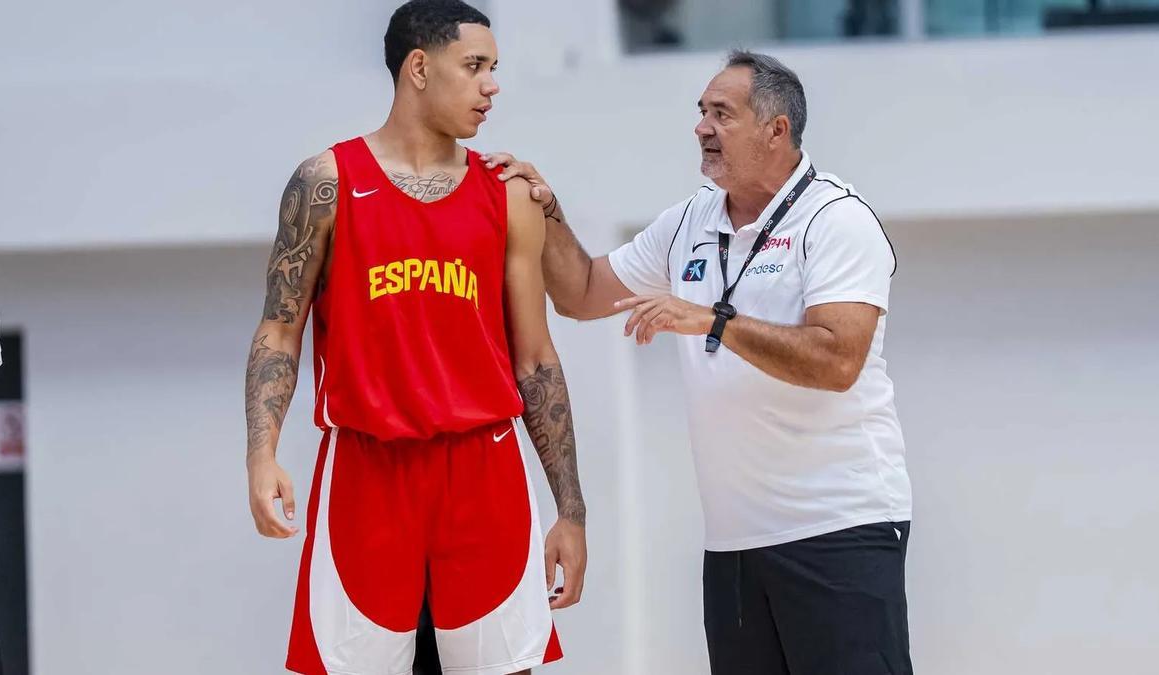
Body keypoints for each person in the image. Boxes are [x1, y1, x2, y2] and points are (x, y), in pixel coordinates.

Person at [485, 49, 913, 674]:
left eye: (722, 113)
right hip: (735, 545)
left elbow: (836, 360)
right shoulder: (691, 219)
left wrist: (713, 319)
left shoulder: (837, 220)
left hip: (840, 530)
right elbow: (580, 294)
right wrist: (544, 210)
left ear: (776, 129)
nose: (702, 128)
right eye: (701, 112)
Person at [242, 2, 587, 674]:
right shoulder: (326, 183)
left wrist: (570, 511)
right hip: (367, 466)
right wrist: (262, 453)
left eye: (495, 68)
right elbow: (279, 329)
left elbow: (537, 359)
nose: (493, 86)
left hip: (483, 464)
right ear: (420, 68)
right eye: (476, 66)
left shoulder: (508, 193)